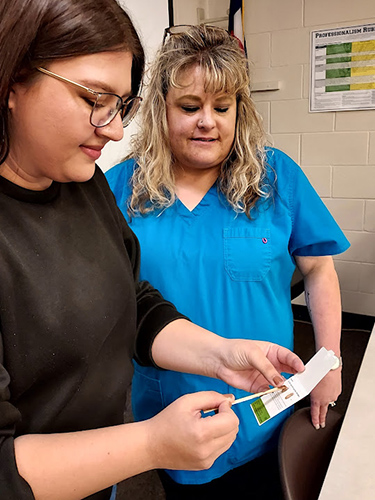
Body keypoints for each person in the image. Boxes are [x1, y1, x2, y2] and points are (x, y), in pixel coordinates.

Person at [0, 5, 306, 500]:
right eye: (95, 98)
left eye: (121, 104)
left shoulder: (84, 185)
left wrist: (220, 355)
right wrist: (151, 443)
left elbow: (135, 302)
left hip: (100, 479)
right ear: (13, 80)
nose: (116, 130)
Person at [106, 24, 350, 499]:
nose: (208, 122)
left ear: (241, 111)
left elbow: (319, 270)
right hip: (170, 406)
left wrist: (330, 363)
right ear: (161, 110)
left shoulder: (275, 177)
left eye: (222, 108)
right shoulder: (118, 189)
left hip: (268, 403)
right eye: (190, 107)